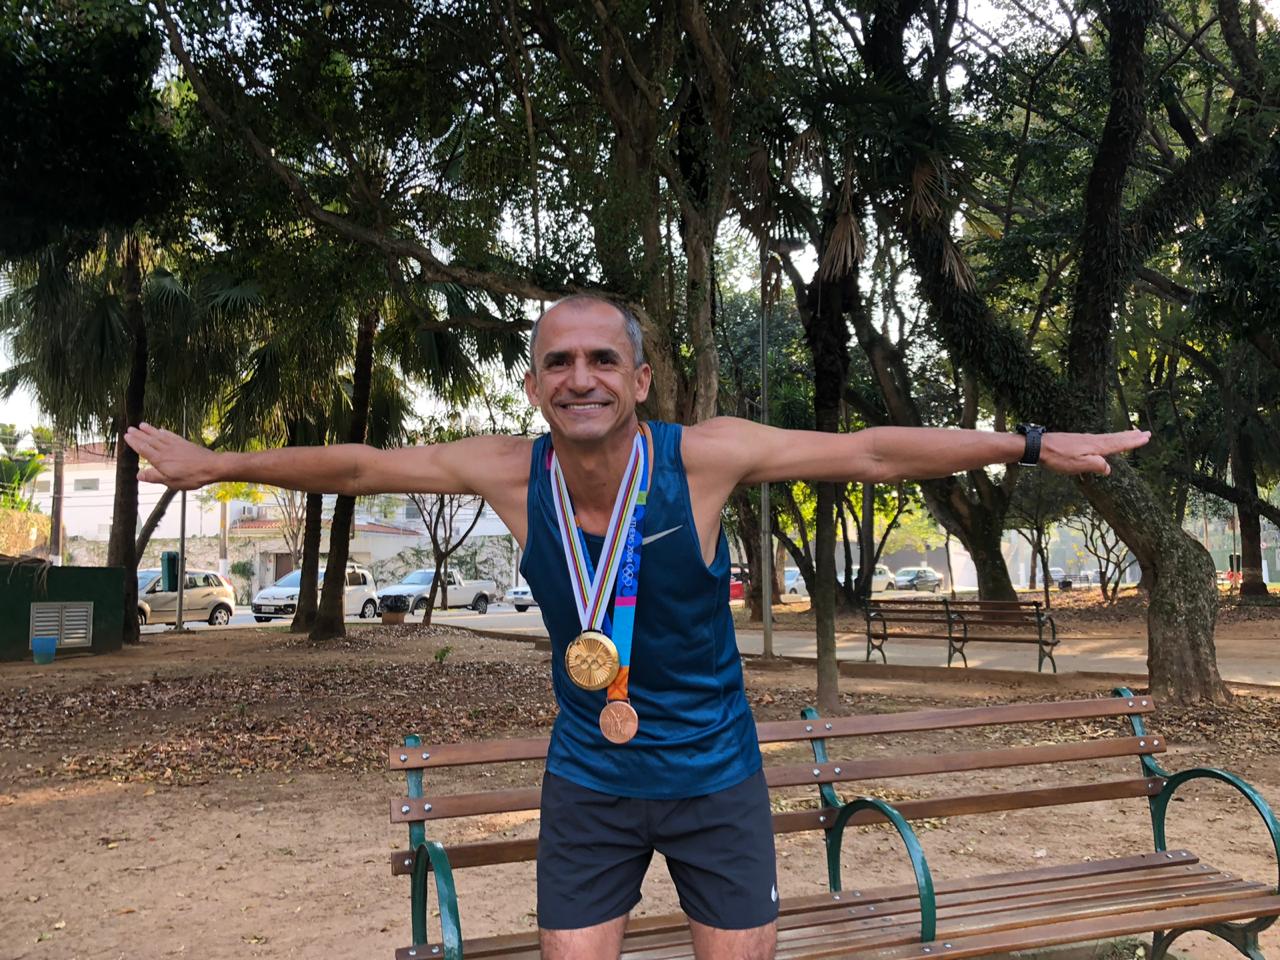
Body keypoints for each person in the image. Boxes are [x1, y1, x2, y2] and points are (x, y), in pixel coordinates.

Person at [124, 294, 1149, 960]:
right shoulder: (506, 472)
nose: (581, 377)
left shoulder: (702, 458)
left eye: (603, 359)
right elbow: (356, 466)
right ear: (535, 385)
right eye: (559, 362)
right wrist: (219, 465)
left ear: (640, 380)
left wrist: (1027, 444)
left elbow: (872, 452)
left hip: (714, 777)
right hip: (591, 782)